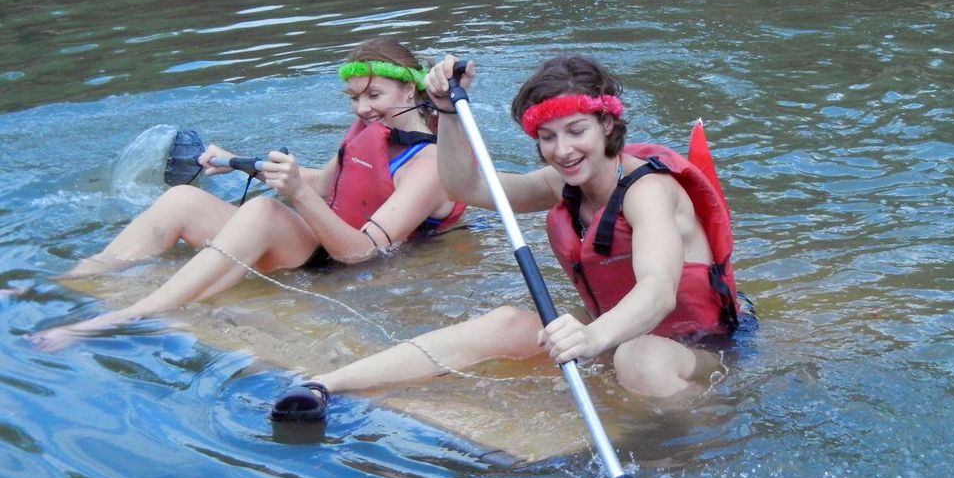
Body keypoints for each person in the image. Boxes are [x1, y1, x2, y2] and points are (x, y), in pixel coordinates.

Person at [271, 54, 744, 421]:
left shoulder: (650, 191)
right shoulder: (561, 183)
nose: (562, 151)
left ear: (607, 124)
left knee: (637, 357)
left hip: (701, 349)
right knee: (510, 322)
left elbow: (658, 292)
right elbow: (465, 187)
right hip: (608, 336)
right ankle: (325, 385)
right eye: (547, 137)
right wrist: (447, 113)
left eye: (576, 131)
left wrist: (591, 337)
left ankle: (698, 450)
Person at [29, 38, 465, 352]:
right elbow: (326, 185)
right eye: (354, 98)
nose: (362, 108)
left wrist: (293, 194)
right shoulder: (370, 134)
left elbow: (362, 254)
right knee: (184, 199)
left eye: (374, 95)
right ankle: (69, 282)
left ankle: (129, 315)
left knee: (262, 212)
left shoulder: (428, 165)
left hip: (353, 273)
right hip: (324, 248)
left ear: (409, 89)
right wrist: (238, 160)